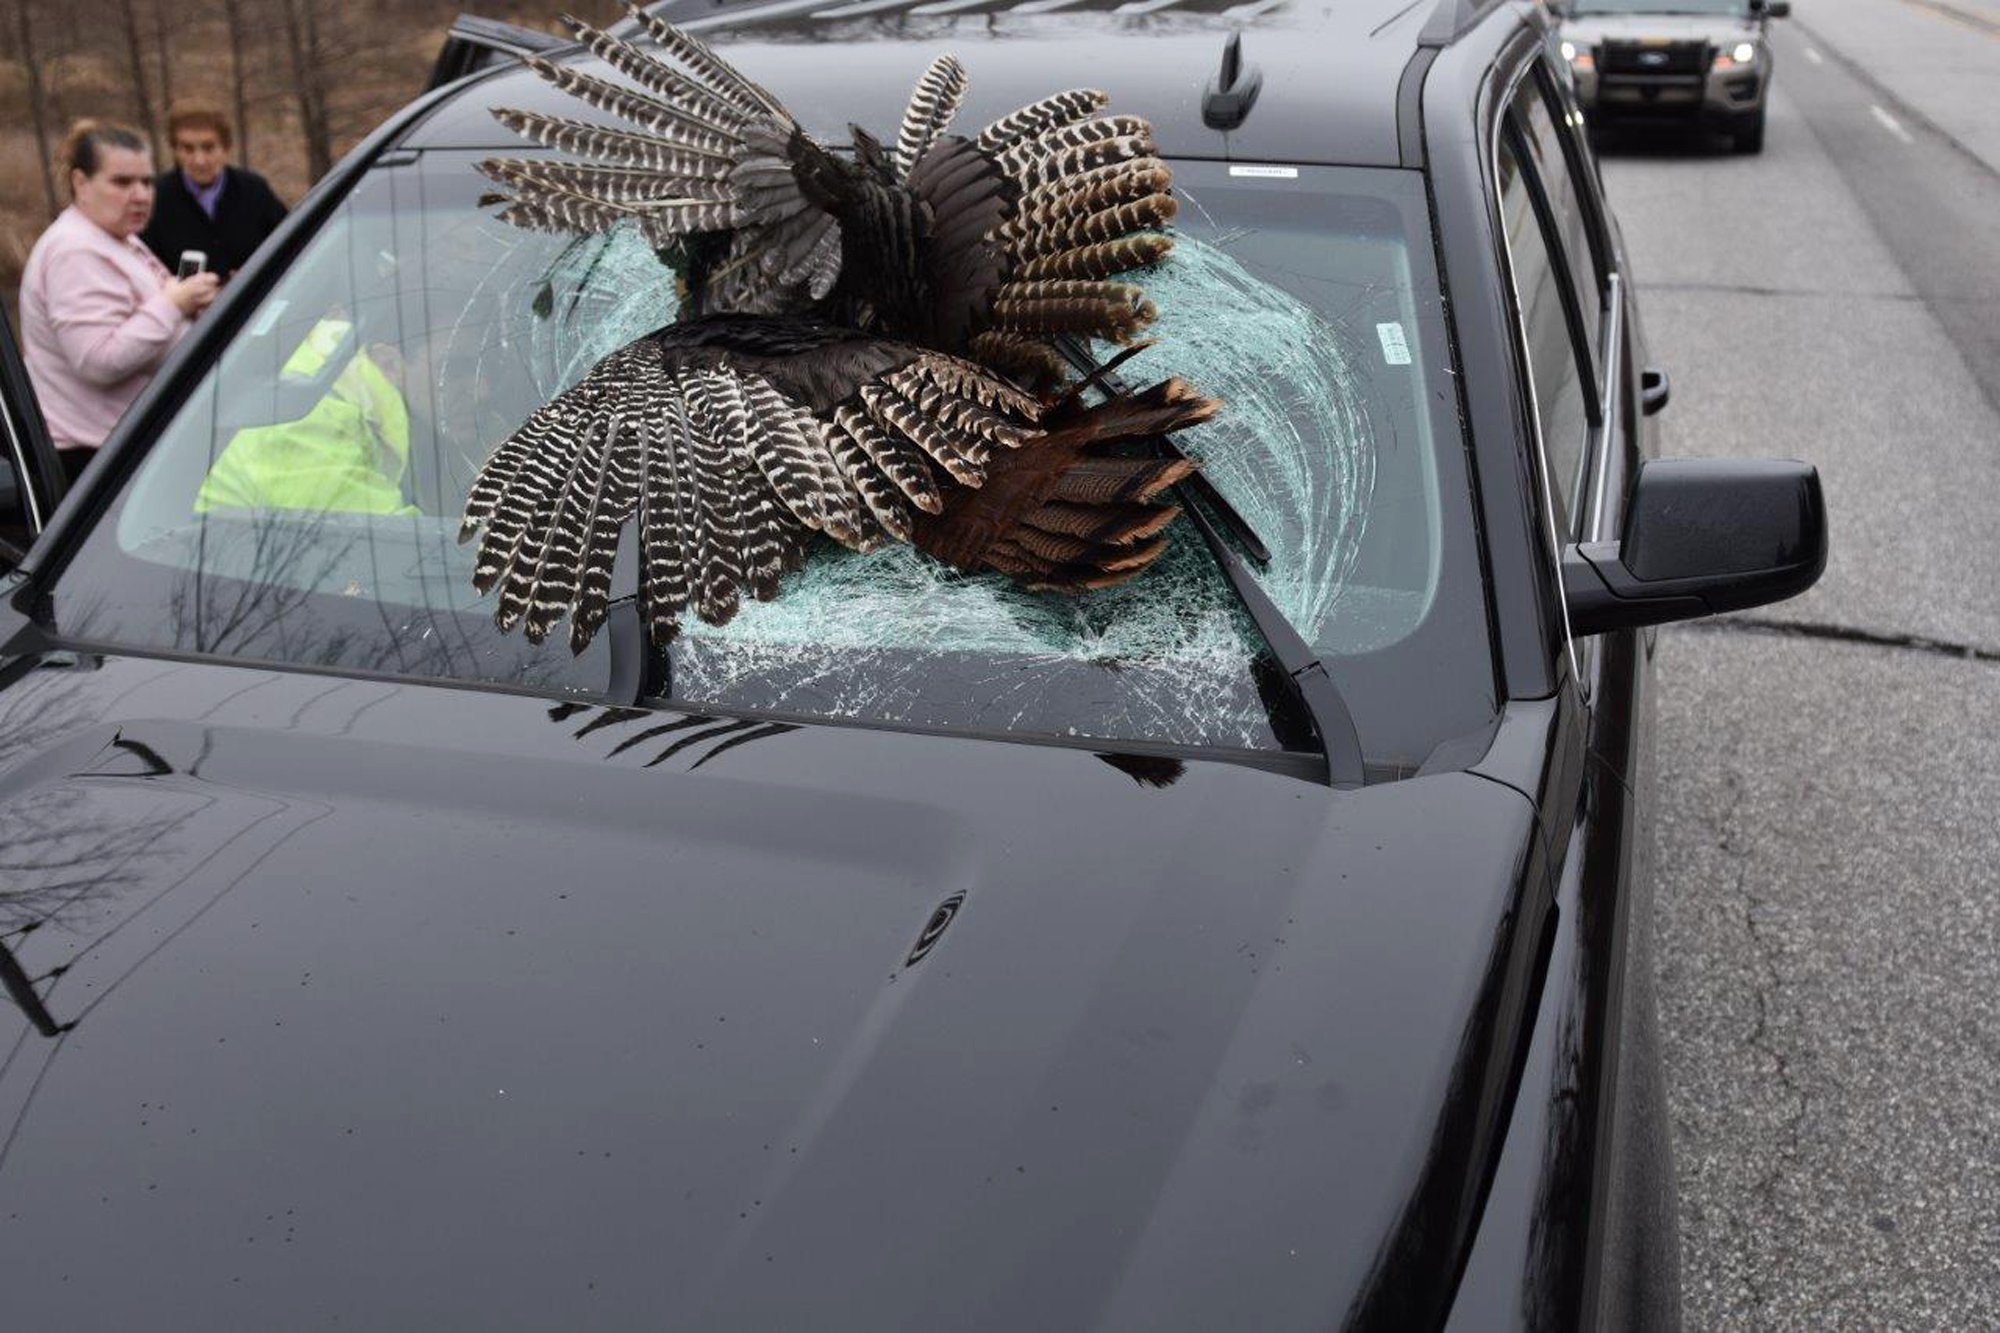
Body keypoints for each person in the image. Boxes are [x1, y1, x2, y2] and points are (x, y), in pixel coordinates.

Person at [18, 120, 221, 484]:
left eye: (146, 182)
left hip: (127, 449)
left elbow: (143, 311)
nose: (141, 195)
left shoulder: (115, 237)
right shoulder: (75, 251)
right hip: (94, 465)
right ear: (81, 183)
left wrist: (191, 301)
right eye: (122, 182)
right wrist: (174, 304)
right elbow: (99, 359)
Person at [140, 103, 288, 281]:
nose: (199, 160)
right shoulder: (155, 198)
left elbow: (287, 245)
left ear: (225, 149)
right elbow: (142, 266)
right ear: (175, 151)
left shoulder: (254, 190)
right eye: (188, 149)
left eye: (208, 148)